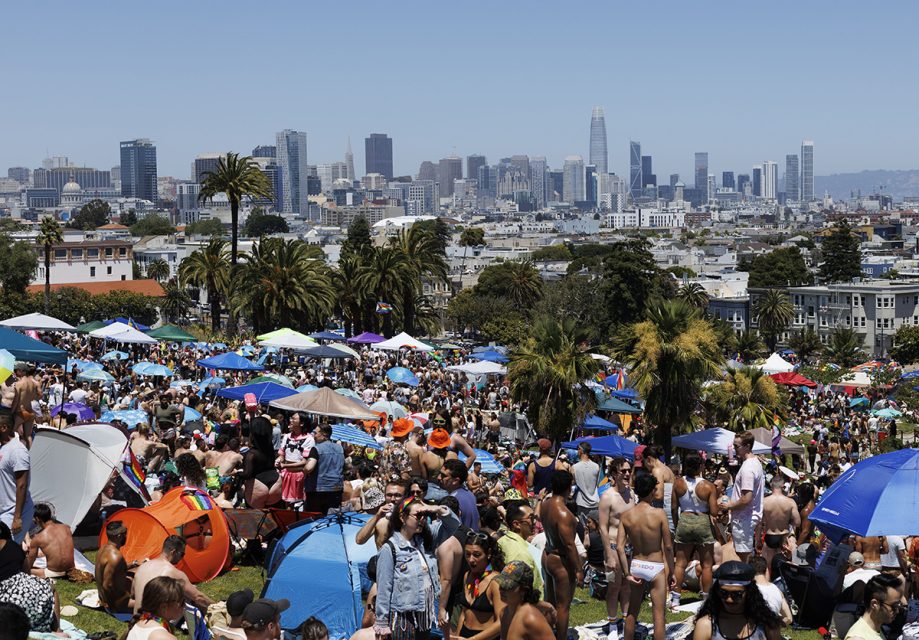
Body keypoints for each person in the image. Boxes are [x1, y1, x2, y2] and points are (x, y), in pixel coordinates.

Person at [375, 497, 456, 640]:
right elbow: (383, 588)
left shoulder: (424, 540)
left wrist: (435, 508)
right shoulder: (390, 549)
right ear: (402, 517)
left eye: (425, 516)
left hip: (424, 616)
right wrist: (381, 623)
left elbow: (454, 525)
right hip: (403, 618)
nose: (422, 519)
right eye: (418, 515)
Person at [617, 472, 674, 640]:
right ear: (652, 491)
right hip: (656, 565)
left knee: (632, 612)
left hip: (637, 565)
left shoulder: (626, 515)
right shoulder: (659, 513)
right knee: (658, 616)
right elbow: (669, 546)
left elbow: (620, 548)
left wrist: (627, 573)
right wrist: (670, 570)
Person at [671, 452, 718, 608]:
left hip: (684, 520)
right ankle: (706, 599)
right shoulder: (708, 486)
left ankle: (676, 599)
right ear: (701, 466)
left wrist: (678, 523)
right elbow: (714, 512)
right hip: (702, 521)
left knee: (680, 564)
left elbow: (673, 507)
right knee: (706, 565)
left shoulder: (677, 483)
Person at [692, 561, 781, 640]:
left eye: (737, 594)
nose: (729, 599)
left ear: (749, 593)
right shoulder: (706, 625)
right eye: (724, 593)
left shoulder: (767, 623)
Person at [541, 471, 581, 640]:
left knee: (550, 603)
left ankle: (547, 635)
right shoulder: (563, 513)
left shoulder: (545, 504)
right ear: (568, 488)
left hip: (547, 553)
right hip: (560, 559)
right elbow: (570, 545)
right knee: (563, 606)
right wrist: (579, 570)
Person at [597, 457, 635, 630]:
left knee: (628, 586)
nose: (627, 474)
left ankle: (626, 622)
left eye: (629, 470)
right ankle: (613, 625)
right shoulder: (607, 496)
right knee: (614, 587)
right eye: (623, 471)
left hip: (629, 548)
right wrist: (609, 555)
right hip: (613, 547)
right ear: (614, 474)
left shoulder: (632, 494)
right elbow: (603, 528)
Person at [132, 535, 213, 613]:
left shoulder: (142, 567)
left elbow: (133, 593)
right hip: (154, 622)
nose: (182, 557)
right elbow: (198, 597)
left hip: (136, 621)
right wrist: (216, 606)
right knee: (187, 598)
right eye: (182, 554)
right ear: (174, 552)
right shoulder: (173, 572)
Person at [721, 431, 764, 562]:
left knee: (743, 556)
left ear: (747, 446)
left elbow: (746, 498)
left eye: (736, 446)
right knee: (744, 554)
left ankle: (745, 581)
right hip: (747, 517)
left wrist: (729, 505)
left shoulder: (747, 468)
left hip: (744, 519)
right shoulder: (754, 463)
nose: (734, 449)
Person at [455, 532, 506, 639]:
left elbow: (501, 622)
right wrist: (457, 635)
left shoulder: (495, 582)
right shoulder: (467, 576)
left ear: (488, 553)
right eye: (467, 554)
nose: (471, 560)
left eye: (476, 555)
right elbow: (464, 614)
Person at [497, 562, 555, 640]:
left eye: (508, 586)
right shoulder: (504, 613)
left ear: (524, 590)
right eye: (501, 584)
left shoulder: (531, 618)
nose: (501, 589)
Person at [497, 500, 543, 598]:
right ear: (517, 524)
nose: (534, 521)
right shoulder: (520, 554)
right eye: (531, 518)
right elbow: (520, 593)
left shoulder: (503, 540)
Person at [758, 474, 800, 576]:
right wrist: (787, 520)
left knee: (768, 567)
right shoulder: (790, 502)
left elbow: (759, 524)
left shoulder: (764, 501)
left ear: (771, 485)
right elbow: (797, 523)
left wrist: (758, 539)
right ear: (783, 486)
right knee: (784, 567)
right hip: (784, 537)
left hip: (769, 536)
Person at [0, 414, 32, 543]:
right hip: (4, 510)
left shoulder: (17, 451)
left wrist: (17, 518)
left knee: (6, 550)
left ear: (4, 428)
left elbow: (22, 485)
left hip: (14, 512)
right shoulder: (3, 448)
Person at [844, 573, 905, 640]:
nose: (897, 610)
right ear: (874, 604)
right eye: (893, 606)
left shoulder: (876, 629)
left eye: (898, 605)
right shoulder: (858, 638)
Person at [241, 418, 282, 508]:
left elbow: (247, 474)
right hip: (276, 482)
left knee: (255, 518)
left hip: (258, 484)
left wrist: (237, 474)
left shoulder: (251, 454)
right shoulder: (270, 448)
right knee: (274, 517)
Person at [304, 424, 345, 515]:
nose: (313, 435)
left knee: (314, 520)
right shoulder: (340, 448)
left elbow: (309, 468)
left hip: (317, 491)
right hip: (336, 489)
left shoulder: (316, 449)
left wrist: (304, 469)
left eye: (315, 433)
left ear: (324, 435)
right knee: (331, 519)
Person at [97, 521, 136, 615]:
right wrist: (125, 598)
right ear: (119, 536)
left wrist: (133, 564)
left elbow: (115, 569)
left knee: (132, 577)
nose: (126, 535)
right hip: (114, 604)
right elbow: (107, 586)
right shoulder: (115, 557)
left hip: (105, 597)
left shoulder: (103, 548)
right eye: (125, 532)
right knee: (150, 603)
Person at [275, 412, 313, 507]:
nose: (290, 420)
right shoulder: (287, 437)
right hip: (285, 475)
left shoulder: (309, 439)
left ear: (302, 423)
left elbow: (304, 462)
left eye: (293, 419)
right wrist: (278, 460)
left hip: (299, 477)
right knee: (284, 504)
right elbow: (282, 455)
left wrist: (285, 465)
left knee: (297, 504)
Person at [27, 502, 75, 578]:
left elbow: (30, 562)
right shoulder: (66, 528)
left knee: (23, 569)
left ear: (37, 519)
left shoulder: (38, 538)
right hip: (72, 570)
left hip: (54, 572)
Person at [355, 480, 406, 549]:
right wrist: (377, 517)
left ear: (405, 497)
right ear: (384, 496)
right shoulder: (379, 519)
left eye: (397, 495)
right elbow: (359, 540)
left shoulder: (411, 517)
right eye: (389, 495)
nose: (393, 499)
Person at [439, 459, 479, 531]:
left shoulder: (453, 501)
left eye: (443, 476)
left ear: (455, 481)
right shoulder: (470, 494)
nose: (439, 478)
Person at [751, 556, 792, 626]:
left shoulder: (748, 589)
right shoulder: (777, 590)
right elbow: (789, 618)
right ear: (766, 570)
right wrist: (775, 626)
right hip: (772, 631)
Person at [642, 446, 675, 531]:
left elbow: (658, 495)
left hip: (665, 512)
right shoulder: (667, 468)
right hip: (671, 510)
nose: (644, 465)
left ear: (648, 459)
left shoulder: (657, 470)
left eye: (643, 461)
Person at [11, 364, 40, 447]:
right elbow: (37, 396)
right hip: (30, 412)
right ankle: (30, 454)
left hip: (21, 411)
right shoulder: (33, 383)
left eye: (16, 371)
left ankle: (14, 451)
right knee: (28, 436)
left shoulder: (19, 384)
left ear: (21, 371)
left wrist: (12, 412)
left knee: (11, 432)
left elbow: (16, 400)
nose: (15, 373)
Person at [571, 442, 600, 521]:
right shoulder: (596, 466)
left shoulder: (574, 467)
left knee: (584, 528)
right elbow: (596, 483)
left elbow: (573, 482)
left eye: (578, 449)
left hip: (581, 502)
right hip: (595, 501)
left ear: (581, 450)